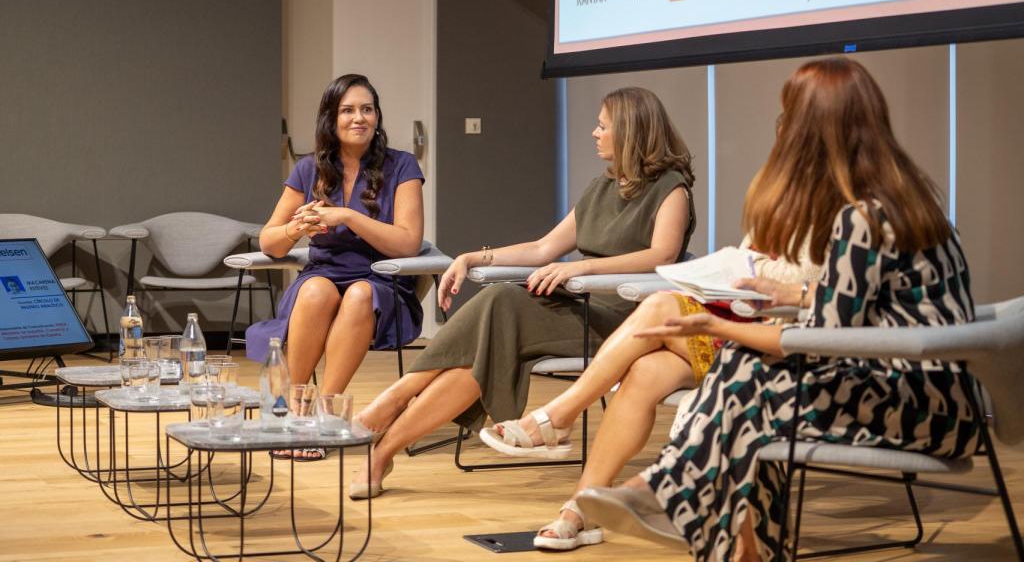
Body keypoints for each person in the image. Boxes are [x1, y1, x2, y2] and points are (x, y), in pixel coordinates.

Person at [576, 57, 979, 562]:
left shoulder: (863, 219)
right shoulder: (909, 200)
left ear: (808, 131)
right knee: (747, 377)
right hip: (933, 396)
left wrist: (720, 324)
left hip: (921, 412)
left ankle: (673, 494)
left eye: (788, 116)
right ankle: (690, 509)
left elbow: (829, 341)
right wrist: (801, 296)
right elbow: (872, 309)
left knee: (748, 376)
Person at [349, 87, 697, 499]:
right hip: (577, 305)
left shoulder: (671, 188)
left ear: (630, 131)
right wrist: (473, 258)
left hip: (624, 318)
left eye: (603, 126)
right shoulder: (600, 188)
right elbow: (542, 248)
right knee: (486, 348)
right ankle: (383, 450)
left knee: (503, 301)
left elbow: (662, 254)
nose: (594, 133)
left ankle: (395, 401)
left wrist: (583, 266)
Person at [476, 243, 820, 551]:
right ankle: (581, 506)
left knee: (659, 305)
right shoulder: (782, 204)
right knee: (645, 371)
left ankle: (559, 419)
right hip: (745, 330)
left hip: (784, 343)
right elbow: (747, 265)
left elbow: (804, 280)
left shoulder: (842, 214)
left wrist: (748, 265)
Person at [248, 74, 425, 460]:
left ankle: (326, 414)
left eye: (367, 109)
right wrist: (297, 227)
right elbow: (269, 240)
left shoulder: (403, 166)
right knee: (315, 289)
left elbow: (409, 241)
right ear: (331, 117)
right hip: (323, 276)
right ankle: (295, 410)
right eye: (348, 110)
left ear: (377, 117)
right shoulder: (309, 169)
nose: (358, 118)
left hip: (381, 282)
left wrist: (347, 215)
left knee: (360, 294)